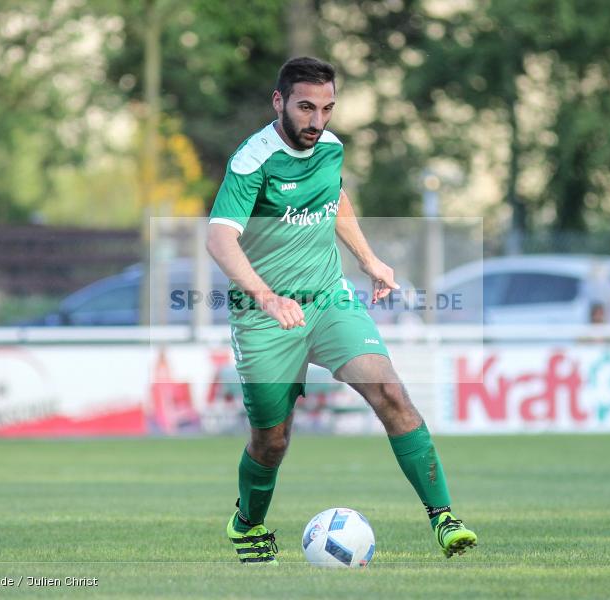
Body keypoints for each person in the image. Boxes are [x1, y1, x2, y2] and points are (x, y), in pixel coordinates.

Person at [206, 57, 476, 564]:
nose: (317, 121)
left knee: (391, 394)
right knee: (272, 439)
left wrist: (370, 260)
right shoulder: (251, 161)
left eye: (327, 108)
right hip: (264, 316)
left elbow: (335, 200)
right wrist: (267, 296)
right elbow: (219, 238)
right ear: (278, 101)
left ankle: (444, 518)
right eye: (306, 107)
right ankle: (247, 523)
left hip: (329, 300)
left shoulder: (329, 149)